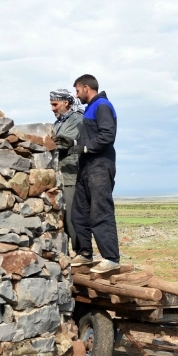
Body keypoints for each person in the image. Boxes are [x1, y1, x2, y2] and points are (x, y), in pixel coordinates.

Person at [70, 74, 121, 274]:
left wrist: (84, 148)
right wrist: (74, 146)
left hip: (100, 165)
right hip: (86, 167)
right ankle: (84, 253)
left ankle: (111, 258)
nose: (76, 95)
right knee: (79, 211)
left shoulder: (102, 106)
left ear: (85, 87)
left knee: (100, 211)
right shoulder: (89, 109)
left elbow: (108, 135)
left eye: (77, 90)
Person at [50, 89, 83, 253]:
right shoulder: (58, 123)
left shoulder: (76, 119)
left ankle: (81, 253)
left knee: (72, 218)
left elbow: (62, 144)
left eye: (55, 104)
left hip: (71, 177)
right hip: (60, 177)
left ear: (66, 103)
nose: (52, 108)